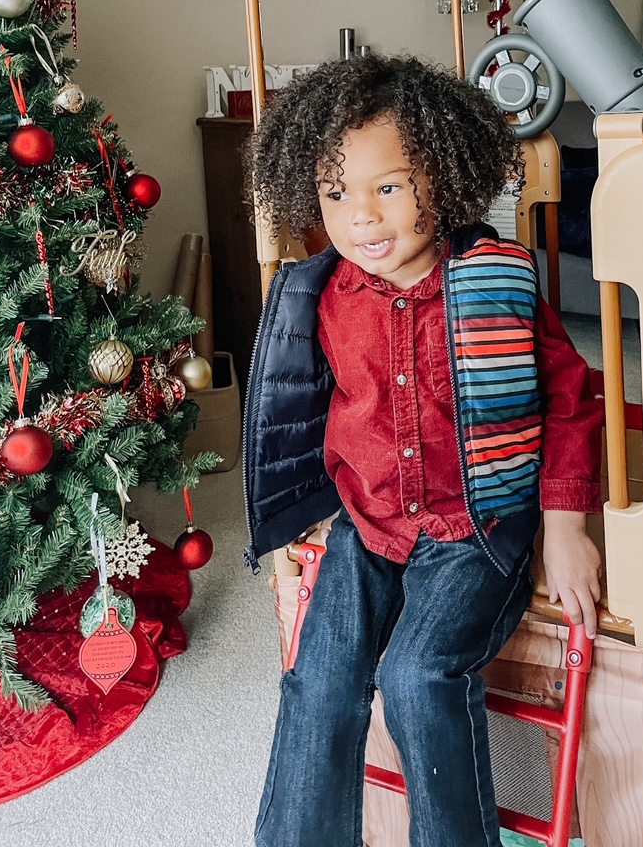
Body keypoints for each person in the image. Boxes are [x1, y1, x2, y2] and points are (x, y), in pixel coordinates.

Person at [246, 53, 604, 847]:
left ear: (445, 178)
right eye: (338, 194)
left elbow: (570, 399)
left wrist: (566, 526)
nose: (362, 217)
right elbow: (298, 415)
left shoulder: (498, 281)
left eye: (389, 187)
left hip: (475, 524)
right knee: (319, 682)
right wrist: (292, 517)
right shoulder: (319, 294)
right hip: (369, 526)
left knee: (417, 676)